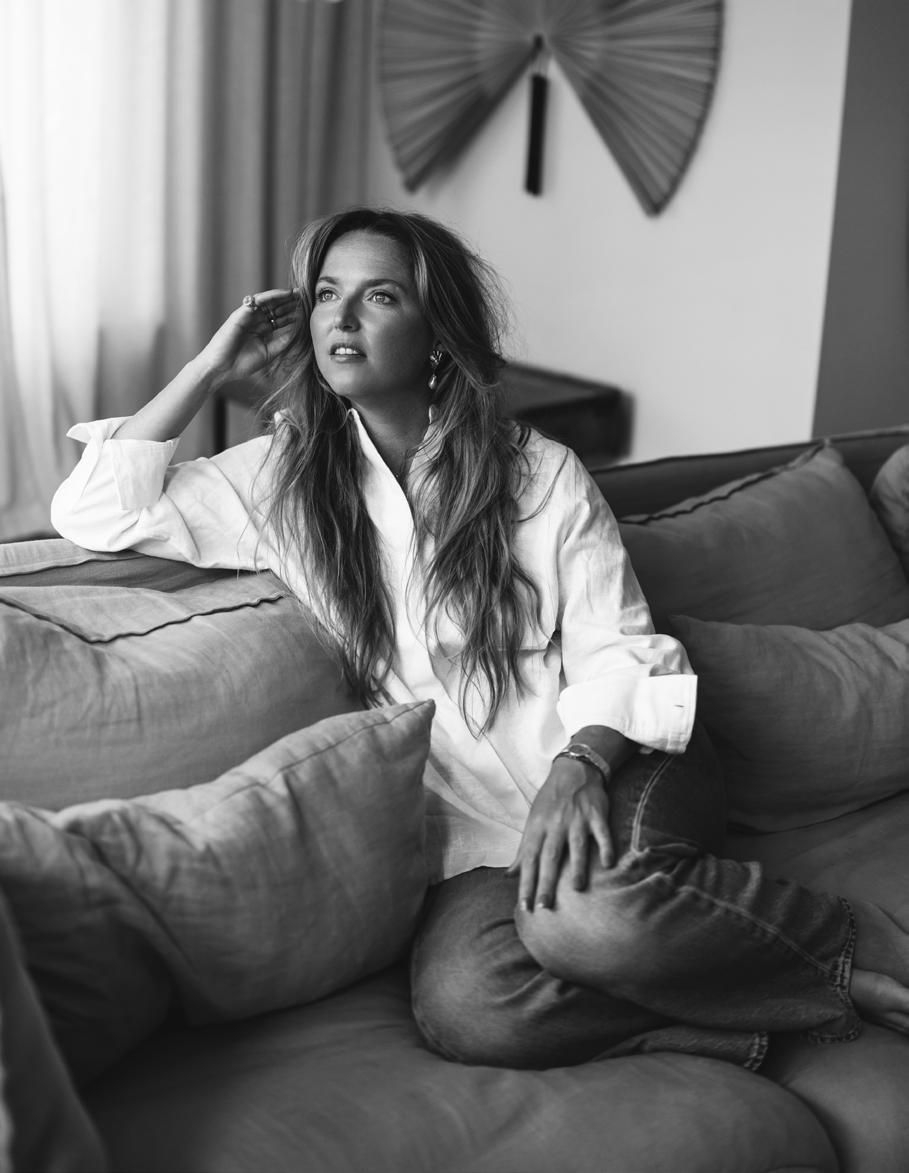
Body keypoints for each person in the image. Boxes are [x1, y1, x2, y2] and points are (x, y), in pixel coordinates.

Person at [51, 207, 909, 1071]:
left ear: (435, 331)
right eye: (326, 294)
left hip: (617, 754)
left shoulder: (537, 472)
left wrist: (579, 768)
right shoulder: (281, 482)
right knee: (474, 1009)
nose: (341, 318)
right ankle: (772, 1008)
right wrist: (210, 365)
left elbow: (619, 645)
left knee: (585, 917)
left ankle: (852, 945)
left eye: (379, 296)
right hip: (470, 823)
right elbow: (93, 509)